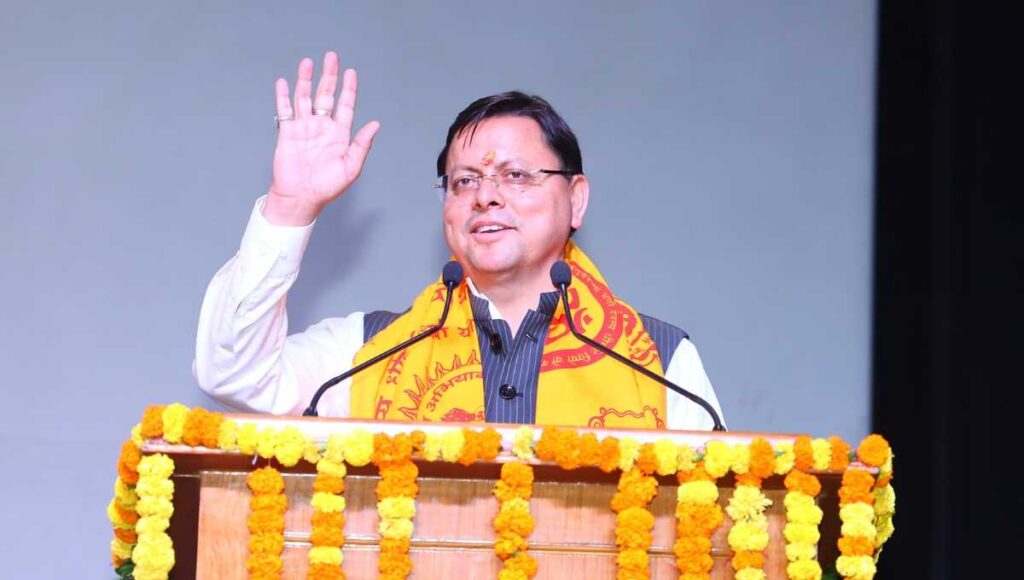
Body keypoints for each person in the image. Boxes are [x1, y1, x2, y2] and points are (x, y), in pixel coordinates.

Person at [194, 52, 724, 430]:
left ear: (576, 199)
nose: (485, 196)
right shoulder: (368, 351)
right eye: (464, 181)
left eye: (515, 176)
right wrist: (290, 206)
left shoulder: (661, 361)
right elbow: (234, 375)